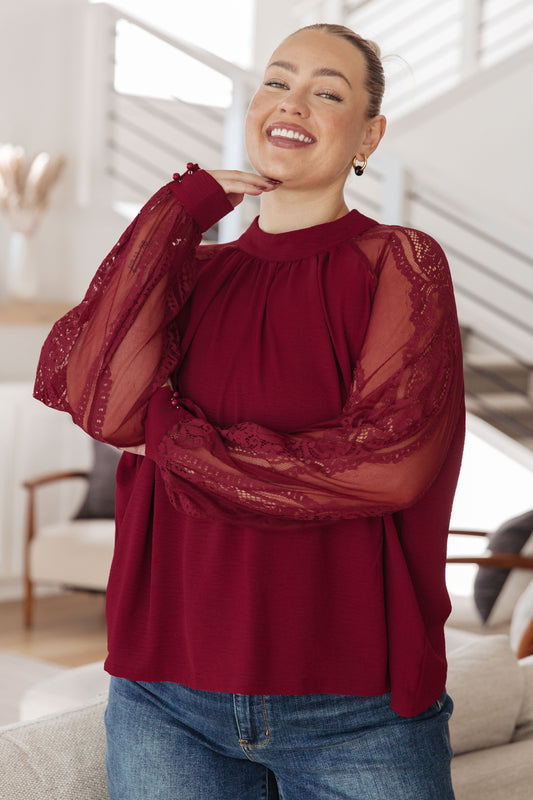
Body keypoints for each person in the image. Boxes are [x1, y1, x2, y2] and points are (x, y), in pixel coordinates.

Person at [34, 22, 465, 800]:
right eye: (276, 80)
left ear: (369, 133)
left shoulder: (399, 262)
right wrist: (179, 209)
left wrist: (169, 439)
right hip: (163, 695)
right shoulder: (189, 272)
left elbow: (384, 469)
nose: (292, 100)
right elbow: (102, 403)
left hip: (355, 709)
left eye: (327, 91)